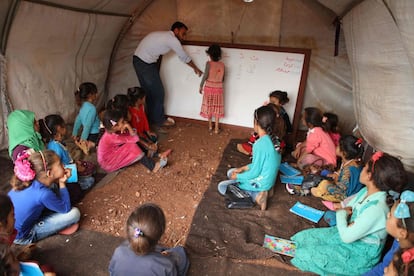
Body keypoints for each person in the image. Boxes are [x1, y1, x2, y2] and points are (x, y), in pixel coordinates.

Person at [290, 152, 407, 275]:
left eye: (364, 168)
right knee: (304, 237)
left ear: (369, 176)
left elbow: (346, 235)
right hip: (348, 235)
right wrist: (345, 215)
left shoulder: (377, 209)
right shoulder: (365, 192)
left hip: (359, 254)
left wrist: (341, 214)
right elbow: (347, 208)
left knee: (305, 254)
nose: (360, 169)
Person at [132, 21, 203, 131]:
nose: (184, 38)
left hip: (139, 60)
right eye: (183, 34)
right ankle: (158, 120)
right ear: (176, 30)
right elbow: (184, 57)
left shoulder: (164, 36)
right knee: (158, 92)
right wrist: (195, 68)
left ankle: (149, 119)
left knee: (148, 93)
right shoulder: (172, 40)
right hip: (145, 64)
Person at [8, 150, 81, 245]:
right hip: (24, 236)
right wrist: (62, 183)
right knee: (74, 213)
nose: (64, 165)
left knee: (53, 188)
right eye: (60, 164)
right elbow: (65, 208)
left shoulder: (28, 181)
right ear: (49, 173)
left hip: (15, 226)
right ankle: (55, 228)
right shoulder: (43, 194)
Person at [217, 105, 282, 210]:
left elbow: (255, 172)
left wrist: (238, 177)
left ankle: (257, 196)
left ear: (256, 123)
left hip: (260, 181)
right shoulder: (275, 139)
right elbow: (262, 164)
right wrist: (243, 168)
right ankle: (268, 190)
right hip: (269, 179)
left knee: (222, 186)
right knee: (231, 172)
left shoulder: (260, 145)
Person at [109, 203, 189, 275]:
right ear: (161, 234)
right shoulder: (165, 265)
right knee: (180, 253)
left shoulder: (119, 252)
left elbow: (112, 271)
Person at [97, 109, 170, 173]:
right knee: (132, 146)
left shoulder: (113, 131)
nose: (125, 123)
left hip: (111, 156)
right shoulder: (112, 137)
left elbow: (133, 137)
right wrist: (128, 126)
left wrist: (127, 128)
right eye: (122, 122)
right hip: (108, 163)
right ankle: (153, 167)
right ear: (114, 126)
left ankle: (155, 155)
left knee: (132, 143)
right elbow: (135, 139)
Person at [39, 115, 95, 191]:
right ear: (59, 128)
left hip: (69, 169)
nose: (66, 128)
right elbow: (60, 170)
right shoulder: (56, 148)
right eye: (64, 126)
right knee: (90, 180)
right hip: (67, 177)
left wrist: (75, 163)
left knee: (91, 170)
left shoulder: (54, 144)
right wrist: (75, 168)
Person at [364, 190, 414, 275]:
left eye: (390, 215)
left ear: (402, 233)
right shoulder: (398, 241)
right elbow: (383, 267)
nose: (387, 215)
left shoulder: (407, 265)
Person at [311, 135, 364, 202]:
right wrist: (335, 175)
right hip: (352, 192)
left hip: (348, 197)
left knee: (324, 184)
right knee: (325, 181)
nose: (336, 146)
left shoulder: (349, 169)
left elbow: (342, 188)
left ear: (343, 153)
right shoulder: (352, 161)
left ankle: (320, 193)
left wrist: (333, 182)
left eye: (338, 145)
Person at [199, 44, 225, 134]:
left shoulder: (208, 64)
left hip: (208, 89)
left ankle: (210, 126)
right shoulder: (222, 65)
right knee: (217, 108)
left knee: (209, 106)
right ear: (219, 55)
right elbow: (223, 79)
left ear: (209, 54)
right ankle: (217, 128)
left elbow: (205, 76)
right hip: (218, 89)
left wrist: (201, 85)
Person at [127, 87, 160, 157]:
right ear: (139, 100)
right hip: (137, 134)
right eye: (144, 98)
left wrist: (148, 131)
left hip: (143, 132)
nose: (145, 99)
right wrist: (143, 137)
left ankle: (150, 148)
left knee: (154, 137)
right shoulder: (130, 111)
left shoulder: (142, 106)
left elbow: (144, 119)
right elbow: (133, 128)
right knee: (141, 144)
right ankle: (148, 151)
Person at [72, 82, 101, 155]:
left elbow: (78, 120)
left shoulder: (83, 106)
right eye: (95, 93)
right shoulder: (92, 108)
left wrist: (74, 133)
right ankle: (89, 145)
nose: (97, 95)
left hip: (88, 135)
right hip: (95, 134)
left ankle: (87, 143)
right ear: (90, 95)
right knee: (105, 138)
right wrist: (83, 139)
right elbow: (88, 125)